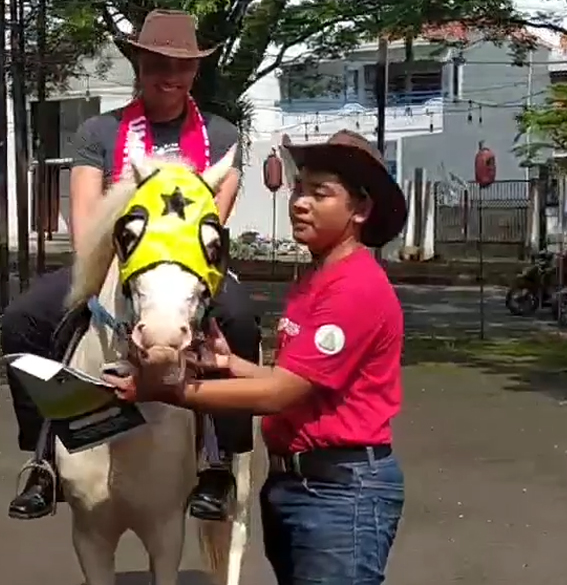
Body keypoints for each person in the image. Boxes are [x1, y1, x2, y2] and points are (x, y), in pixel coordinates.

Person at [104, 130, 408, 585]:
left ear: (360, 210)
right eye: (299, 188)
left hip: (340, 493)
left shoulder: (355, 288)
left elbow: (280, 393)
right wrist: (229, 364)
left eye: (320, 193)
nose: (300, 203)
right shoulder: (315, 279)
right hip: (298, 484)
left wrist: (171, 390)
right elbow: (298, 378)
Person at [0, 9, 263, 521]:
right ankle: (42, 458)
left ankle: (220, 463)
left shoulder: (222, 136)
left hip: (189, 270)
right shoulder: (99, 132)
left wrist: (176, 276)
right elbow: (85, 218)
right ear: (138, 65)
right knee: (22, 322)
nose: (169, 75)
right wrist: (108, 275)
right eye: (156, 63)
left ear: (196, 72)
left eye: (182, 66)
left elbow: (211, 223)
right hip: (111, 264)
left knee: (239, 320)